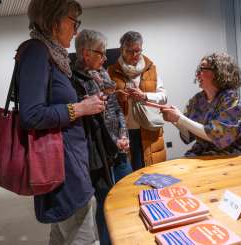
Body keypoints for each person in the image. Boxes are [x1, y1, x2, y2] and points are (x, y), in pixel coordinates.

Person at [19, 1, 105, 244]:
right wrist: (80, 108)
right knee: (83, 236)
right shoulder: (37, 52)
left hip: (67, 163)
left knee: (62, 235)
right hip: (64, 168)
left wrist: (82, 104)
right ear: (54, 20)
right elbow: (31, 114)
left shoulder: (50, 54)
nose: (76, 30)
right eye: (73, 21)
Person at [72, 29, 132, 245]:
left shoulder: (104, 73)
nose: (105, 58)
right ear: (86, 53)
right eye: (101, 53)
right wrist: (114, 141)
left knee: (127, 195)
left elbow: (116, 109)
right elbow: (90, 123)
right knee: (106, 202)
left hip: (119, 148)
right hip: (98, 153)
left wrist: (124, 136)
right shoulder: (73, 80)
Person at [161, 52, 241, 156]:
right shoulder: (197, 100)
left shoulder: (229, 98)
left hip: (231, 154)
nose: (198, 74)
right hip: (204, 152)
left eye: (202, 69)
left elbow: (217, 136)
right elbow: (189, 135)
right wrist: (175, 120)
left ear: (218, 73)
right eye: (198, 70)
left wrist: (180, 118)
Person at [108, 31, 167, 170]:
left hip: (148, 128)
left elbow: (163, 97)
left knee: (151, 171)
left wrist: (144, 95)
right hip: (124, 132)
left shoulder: (150, 69)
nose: (135, 55)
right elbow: (106, 101)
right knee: (129, 174)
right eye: (130, 51)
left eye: (138, 51)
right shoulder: (111, 71)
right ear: (122, 49)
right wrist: (118, 97)